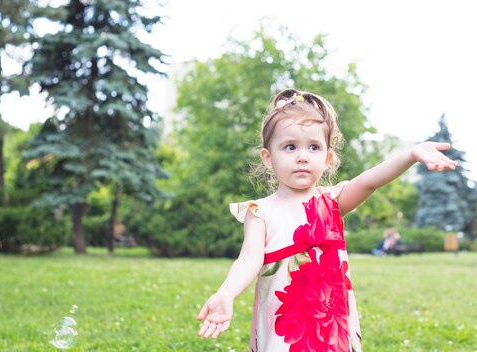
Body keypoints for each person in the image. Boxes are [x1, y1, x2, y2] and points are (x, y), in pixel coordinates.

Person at [196, 88, 457, 351]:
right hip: (285, 332)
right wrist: (226, 293)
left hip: (330, 329)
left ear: (327, 157)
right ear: (268, 158)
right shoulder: (260, 212)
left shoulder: (332, 201)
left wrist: (410, 155)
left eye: (314, 147)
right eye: (289, 147)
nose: (302, 156)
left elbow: (369, 182)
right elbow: (249, 259)